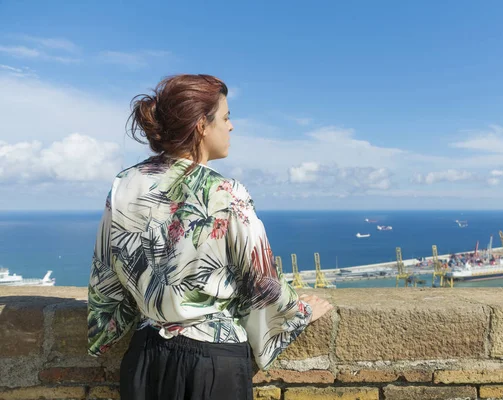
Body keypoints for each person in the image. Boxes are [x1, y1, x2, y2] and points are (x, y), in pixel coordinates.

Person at [87, 74, 333, 400]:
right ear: (202, 125)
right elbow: (259, 281)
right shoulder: (226, 193)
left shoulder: (124, 184)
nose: (231, 127)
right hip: (213, 366)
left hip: (145, 359)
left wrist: (105, 335)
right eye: (227, 117)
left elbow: (106, 274)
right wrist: (300, 313)